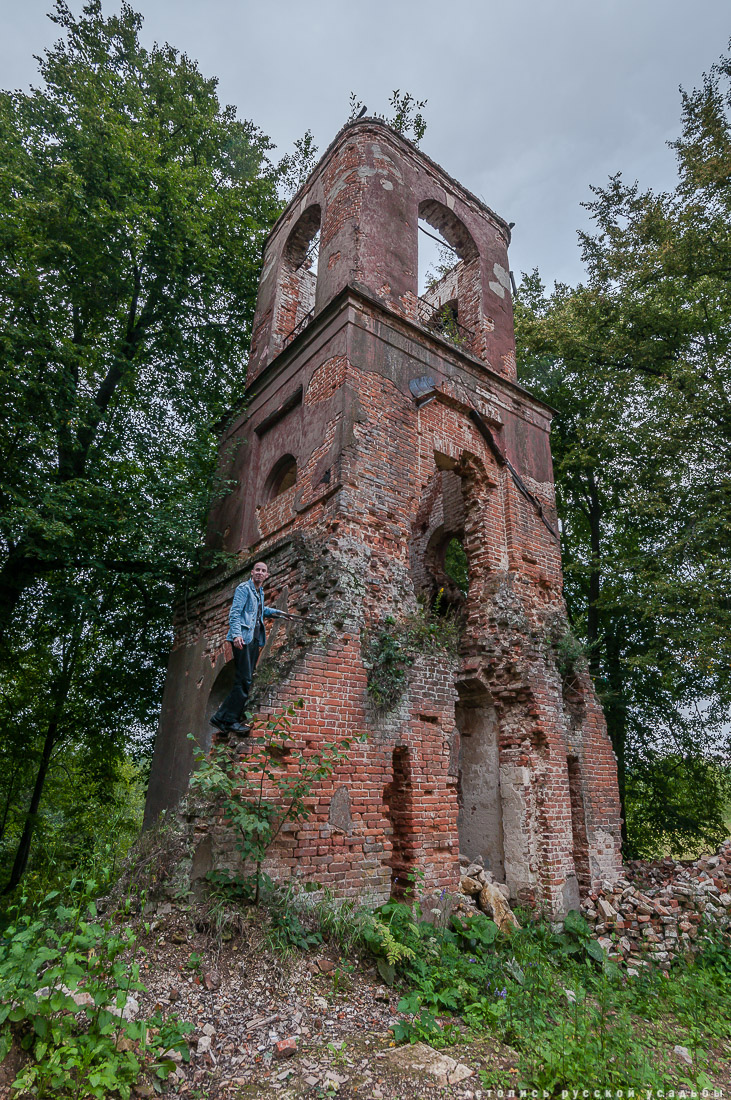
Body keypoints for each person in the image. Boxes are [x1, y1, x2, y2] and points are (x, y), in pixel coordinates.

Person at [210, 562, 287, 735]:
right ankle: (228, 719)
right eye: (257, 570)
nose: (260, 573)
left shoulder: (259, 592)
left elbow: (259, 611)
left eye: (263, 571)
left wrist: (278, 613)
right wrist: (236, 635)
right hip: (242, 639)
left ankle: (222, 718)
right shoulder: (243, 588)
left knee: (245, 679)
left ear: (267, 575)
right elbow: (235, 613)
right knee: (244, 680)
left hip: (254, 640)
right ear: (252, 572)